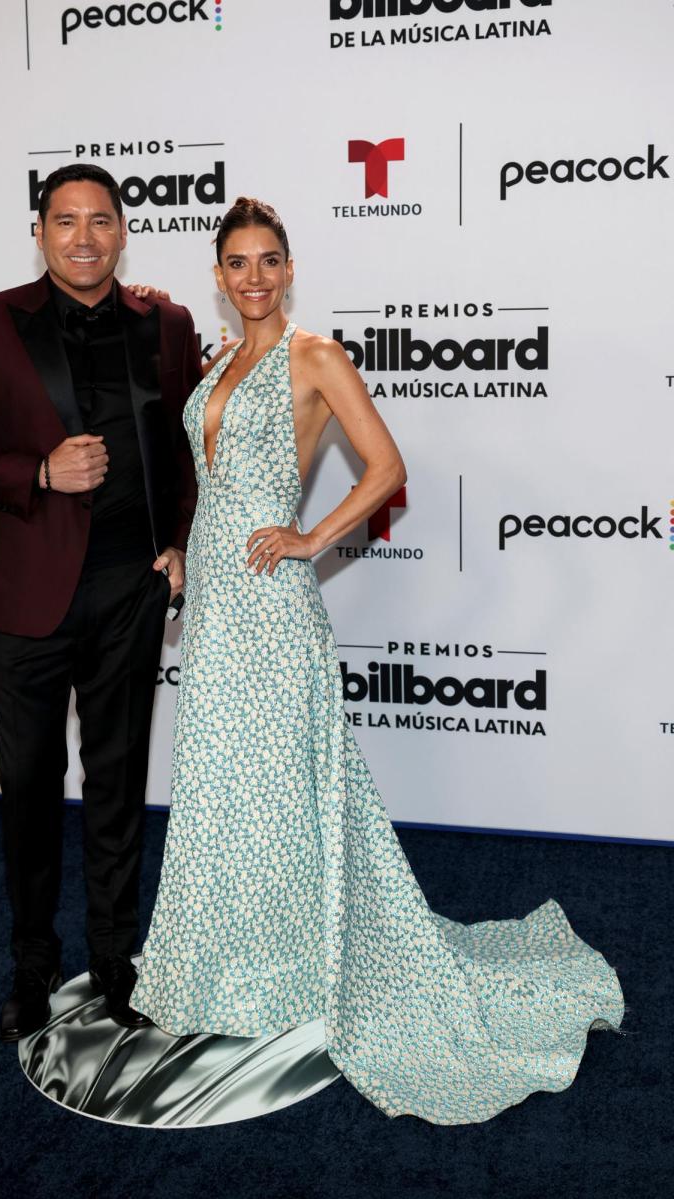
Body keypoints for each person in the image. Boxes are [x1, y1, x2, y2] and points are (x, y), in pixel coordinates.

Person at [128, 197, 624, 1123]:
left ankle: (295, 971)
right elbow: (212, 477)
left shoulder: (314, 356)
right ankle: (231, 967)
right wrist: (187, 548)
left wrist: (313, 536)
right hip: (220, 604)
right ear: (219, 274)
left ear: (290, 266)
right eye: (236, 262)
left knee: (281, 789)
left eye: (269, 259)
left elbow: (387, 466)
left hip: (274, 605)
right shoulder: (218, 358)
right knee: (224, 789)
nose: (254, 277)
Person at [0, 164, 202, 1042]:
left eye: (100, 220)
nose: (83, 236)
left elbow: (190, 446)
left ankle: (117, 965)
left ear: (123, 232)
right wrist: (36, 471)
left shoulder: (171, 322)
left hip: (129, 593)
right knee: (30, 791)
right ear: (39, 233)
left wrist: (181, 541)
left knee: (117, 789)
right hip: (23, 601)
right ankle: (32, 966)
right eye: (65, 220)